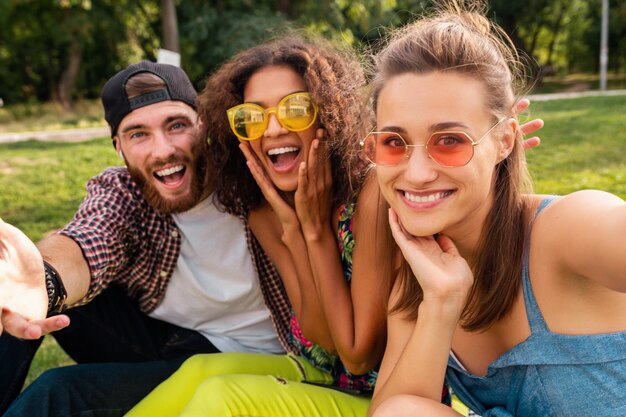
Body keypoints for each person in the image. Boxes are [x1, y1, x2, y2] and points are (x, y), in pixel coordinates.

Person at [128, 35, 542, 417]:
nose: (272, 129)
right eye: (251, 117)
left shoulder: (374, 193)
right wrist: (295, 229)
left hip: (382, 398)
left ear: (328, 113)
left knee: (220, 398)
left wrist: (316, 235)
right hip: (318, 372)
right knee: (198, 369)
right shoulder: (266, 210)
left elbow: (358, 354)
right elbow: (318, 337)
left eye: (293, 109)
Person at [363, 2, 626, 417]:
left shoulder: (566, 229)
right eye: (394, 142)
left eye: (449, 140)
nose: (415, 174)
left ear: (505, 141)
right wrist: (442, 300)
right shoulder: (419, 283)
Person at [0, 60, 293, 416]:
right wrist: (40, 281)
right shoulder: (124, 192)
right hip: (166, 338)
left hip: (250, 359)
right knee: (16, 294)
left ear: (203, 124)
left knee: (57, 391)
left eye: (177, 125)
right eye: (138, 134)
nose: (163, 150)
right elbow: (88, 240)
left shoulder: (249, 176)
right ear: (118, 148)